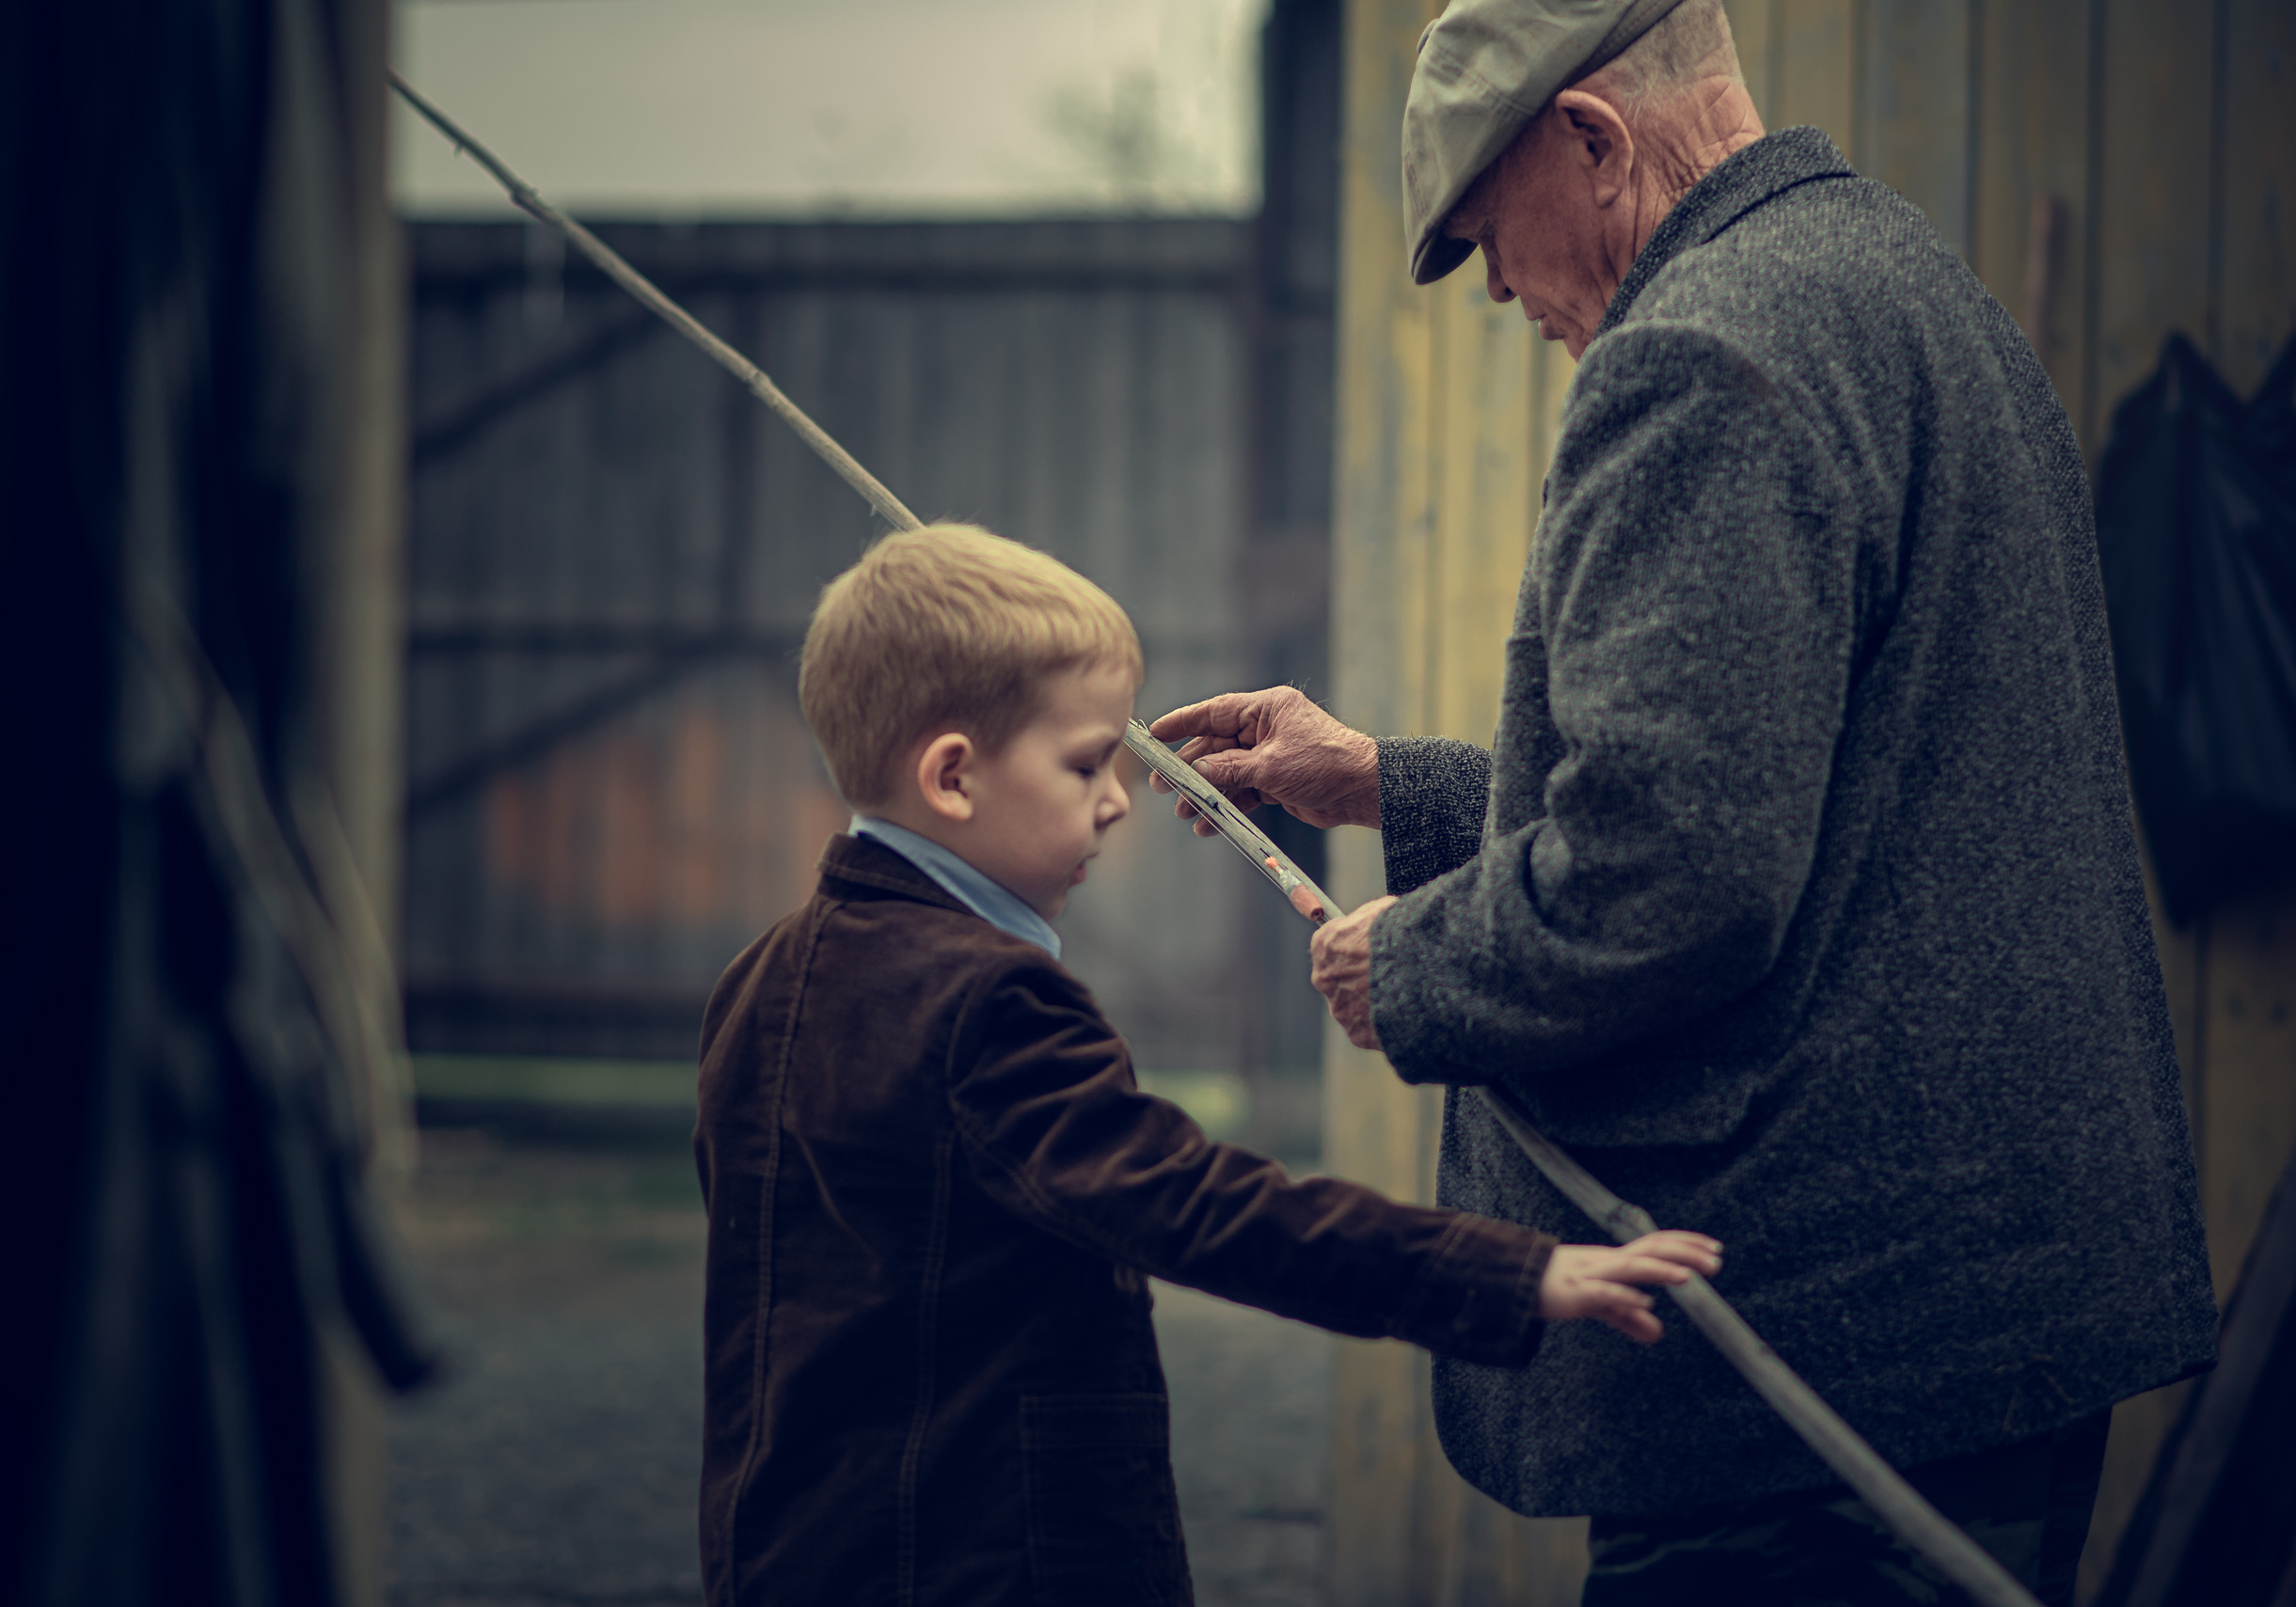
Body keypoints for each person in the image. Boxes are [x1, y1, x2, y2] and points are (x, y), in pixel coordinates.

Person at [1150, 1, 2219, 1602]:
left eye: (1484, 232)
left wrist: (1416, 964)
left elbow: (1678, 871)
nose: (1495, 285)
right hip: (1975, 1312)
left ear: (1591, 137)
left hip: (1813, 1354)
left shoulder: (1700, 356)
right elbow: (1813, 782)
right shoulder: (1901, 278)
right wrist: (1388, 782)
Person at [692, 522, 1721, 1607]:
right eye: (1086, 763)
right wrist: (1510, 1272)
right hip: (991, 1557)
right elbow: (1200, 1206)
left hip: (787, 1547)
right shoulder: (993, 1003)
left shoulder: (758, 978)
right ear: (952, 777)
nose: (1116, 798)